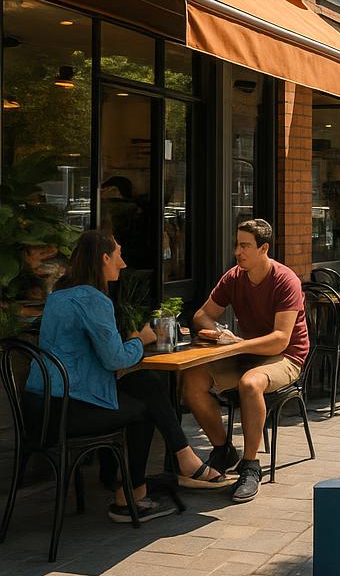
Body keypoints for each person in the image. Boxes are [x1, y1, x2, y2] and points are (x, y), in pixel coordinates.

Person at [24, 231, 230, 524]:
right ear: (104, 258)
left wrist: (129, 343)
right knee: (143, 411)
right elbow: (115, 359)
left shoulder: (58, 296)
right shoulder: (93, 299)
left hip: (38, 406)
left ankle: (176, 461)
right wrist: (141, 338)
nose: (122, 263)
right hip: (67, 410)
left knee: (144, 384)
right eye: (118, 255)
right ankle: (131, 497)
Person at [182, 219, 309, 504]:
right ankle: (223, 448)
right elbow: (202, 316)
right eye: (237, 244)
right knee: (192, 378)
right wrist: (219, 333)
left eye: (245, 246)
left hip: (287, 356)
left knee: (250, 383)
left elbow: (280, 339)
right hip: (247, 353)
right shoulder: (234, 277)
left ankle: (251, 466)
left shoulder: (285, 279)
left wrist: (238, 344)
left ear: (263, 248)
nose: (237, 252)